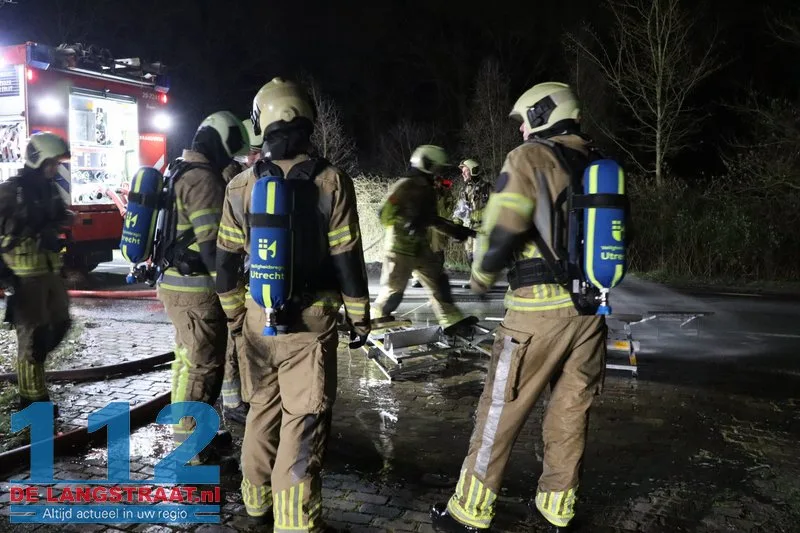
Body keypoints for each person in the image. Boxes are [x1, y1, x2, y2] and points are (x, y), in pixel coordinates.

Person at [430, 82, 608, 532]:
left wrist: (481, 277)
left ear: (543, 115)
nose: (523, 129)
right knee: (570, 413)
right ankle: (557, 509)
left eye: (525, 120)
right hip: (591, 313)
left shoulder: (529, 157)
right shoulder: (598, 163)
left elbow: (503, 228)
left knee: (498, 411)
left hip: (535, 316)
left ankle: (469, 512)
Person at [216, 77, 370, 531]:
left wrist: (236, 315)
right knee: (302, 420)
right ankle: (296, 522)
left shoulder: (240, 184)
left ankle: (256, 504)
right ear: (307, 120)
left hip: (256, 315)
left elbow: (224, 264)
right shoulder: (332, 181)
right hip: (311, 320)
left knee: (261, 412)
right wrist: (360, 317)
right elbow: (347, 258)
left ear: (261, 123)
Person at [157, 111, 248, 461]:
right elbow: (213, 249)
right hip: (196, 291)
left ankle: (189, 434)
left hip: (176, 285)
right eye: (230, 151)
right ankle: (193, 450)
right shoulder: (204, 180)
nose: (230, 159)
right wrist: (230, 294)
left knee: (186, 363)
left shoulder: (178, 169)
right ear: (220, 143)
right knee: (203, 368)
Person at [0, 132, 73, 414]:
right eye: (51, 163)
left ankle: (36, 371)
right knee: (32, 338)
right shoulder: (12, 192)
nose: (55, 168)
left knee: (61, 323)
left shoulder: (49, 190)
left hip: (49, 271)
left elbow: (57, 218)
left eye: (57, 163)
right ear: (36, 160)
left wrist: (61, 221)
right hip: (24, 276)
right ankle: (32, 401)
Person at [373, 145, 466, 332]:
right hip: (400, 248)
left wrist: (457, 231)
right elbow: (384, 214)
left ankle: (452, 322)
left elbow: (432, 219)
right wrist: (406, 222)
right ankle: (376, 321)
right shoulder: (404, 186)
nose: (438, 173)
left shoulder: (428, 189)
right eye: (436, 167)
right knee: (393, 294)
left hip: (421, 247)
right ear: (427, 164)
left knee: (440, 283)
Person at [219, 117, 264, 426]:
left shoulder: (232, 177)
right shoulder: (234, 180)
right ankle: (234, 403)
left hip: (233, 273)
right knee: (233, 341)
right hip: (231, 275)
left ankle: (237, 400)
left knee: (236, 341)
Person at [452, 158, 490, 269]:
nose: (462, 173)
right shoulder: (464, 190)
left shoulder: (486, 188)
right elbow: (460, 210)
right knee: (470, 258)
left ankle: (479, 278)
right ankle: (475, 276)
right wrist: (456, 223)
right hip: (468, 229)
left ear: (473, 170)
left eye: (465, 170)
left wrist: (480, 215)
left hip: (481, 229)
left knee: (478, 258)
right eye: (462, 171)